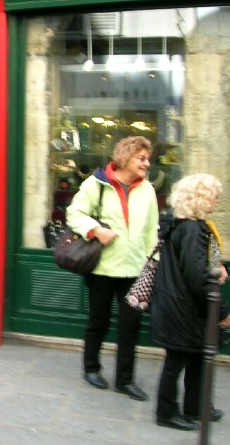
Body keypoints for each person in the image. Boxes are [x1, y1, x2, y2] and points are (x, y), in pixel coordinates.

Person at [66, 136, 159, 401]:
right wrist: (95, 230)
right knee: (99, 321)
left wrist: (154, 264)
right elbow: (74, 213)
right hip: (102, 269)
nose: (146, 163)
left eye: (147, 159)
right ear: (125, 157)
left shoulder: (148, 190)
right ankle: (91, 368)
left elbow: (153, 229)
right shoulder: (97, 183)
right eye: (141, 158)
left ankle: (125, 380)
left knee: (130, 326)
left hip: (135, 270)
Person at [150, 173, 229, 431]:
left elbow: (209, 263)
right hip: (184, 306)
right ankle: (166, 412)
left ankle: (196, 407)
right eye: (213, 194)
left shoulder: (183, 224)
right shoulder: (193, 229)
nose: (217, 199)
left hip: (180, 304)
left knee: (195, 358)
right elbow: (198, 277)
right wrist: (222, 312)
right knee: (177, 361)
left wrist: (218, 269)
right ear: (200, 198)